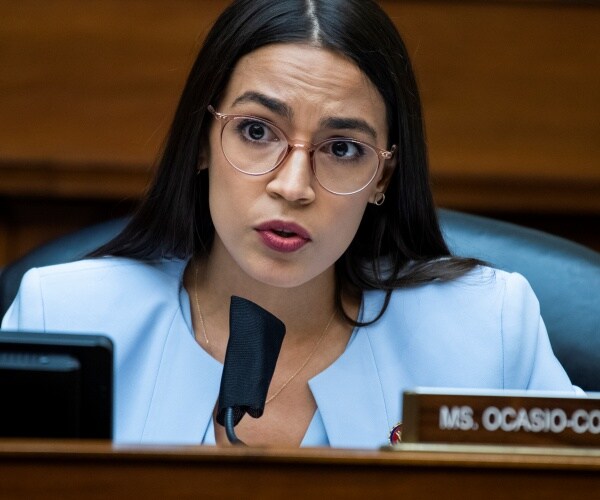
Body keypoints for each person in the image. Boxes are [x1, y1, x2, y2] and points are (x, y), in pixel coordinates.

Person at [1, 0, 579, 448]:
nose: (293, 186)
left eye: (343, 148)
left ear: (383, 177)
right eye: (257, 132)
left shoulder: (488, 331)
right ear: (203, 142)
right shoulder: (65, 315)